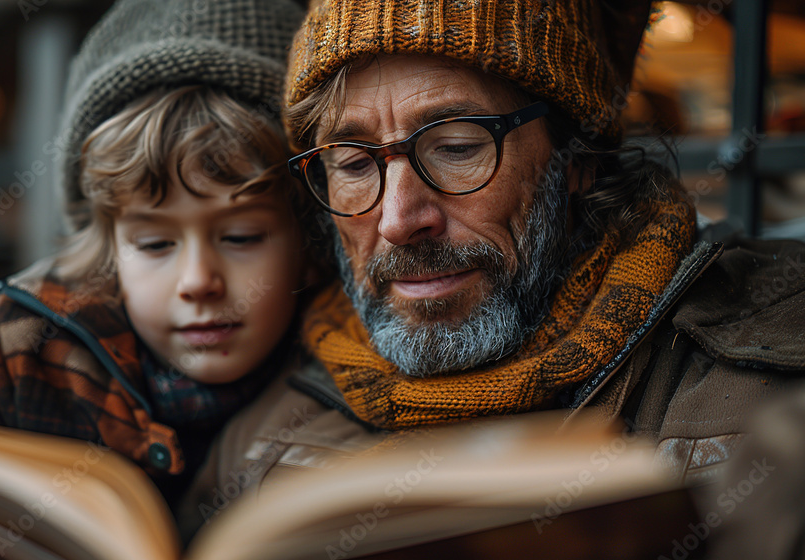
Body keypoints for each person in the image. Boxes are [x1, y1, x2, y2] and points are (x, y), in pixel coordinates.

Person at [181, 0, 805, 539]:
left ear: (576, 157)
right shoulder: (256, 435)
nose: (399, 219)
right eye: (352, 163)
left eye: (456, 147)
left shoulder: (774, 380)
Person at [0, 0, 316, 558]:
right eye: (154, 244)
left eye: (241, 237)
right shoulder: (20, 344)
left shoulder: (340, 362)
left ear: (308, 236)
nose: (198, 281)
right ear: (106, 248)